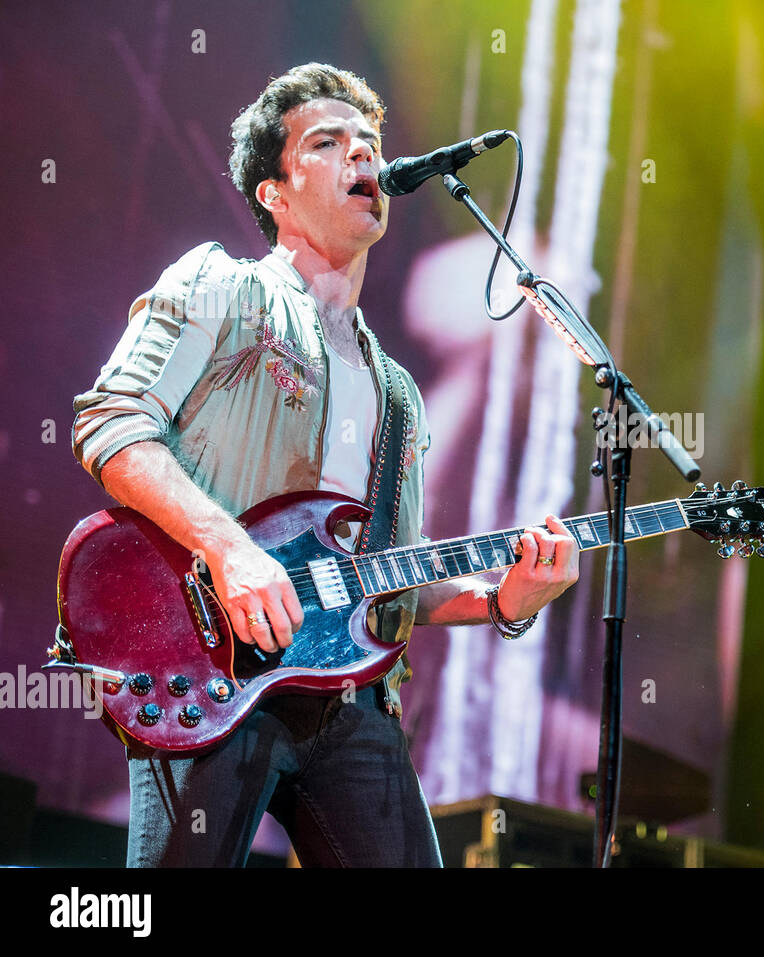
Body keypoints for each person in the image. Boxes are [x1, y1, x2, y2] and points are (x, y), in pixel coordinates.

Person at [70, 63, 579, 867]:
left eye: (370, 144)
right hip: (211, 667)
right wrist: (229, 550)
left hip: (352, 704)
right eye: (329, 142)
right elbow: (112, 423)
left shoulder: (399, 394)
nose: (363, 159)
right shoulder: (221, 288)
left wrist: (505, 601)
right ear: (273, 191)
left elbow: (380, 573)